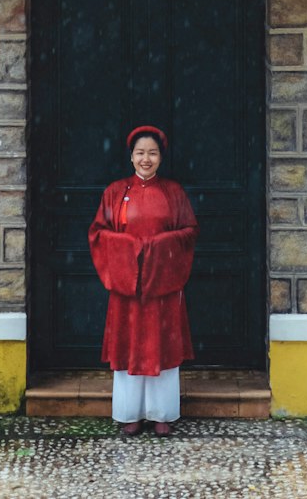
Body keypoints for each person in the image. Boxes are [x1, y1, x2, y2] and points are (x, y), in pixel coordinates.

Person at [88, 125, 198, 437]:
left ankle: (162, 414)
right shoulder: (114, 192)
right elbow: (98, 233)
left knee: (161, 347)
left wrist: (160, 246)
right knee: (129, 346)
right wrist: (128, 248)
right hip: (128, 286)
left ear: (161, 157)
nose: (145, 159)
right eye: (140, 153)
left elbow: (189, 232)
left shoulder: (173, 193)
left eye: (152, 153)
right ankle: (129, 413)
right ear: (131, 157)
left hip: (162, 283)